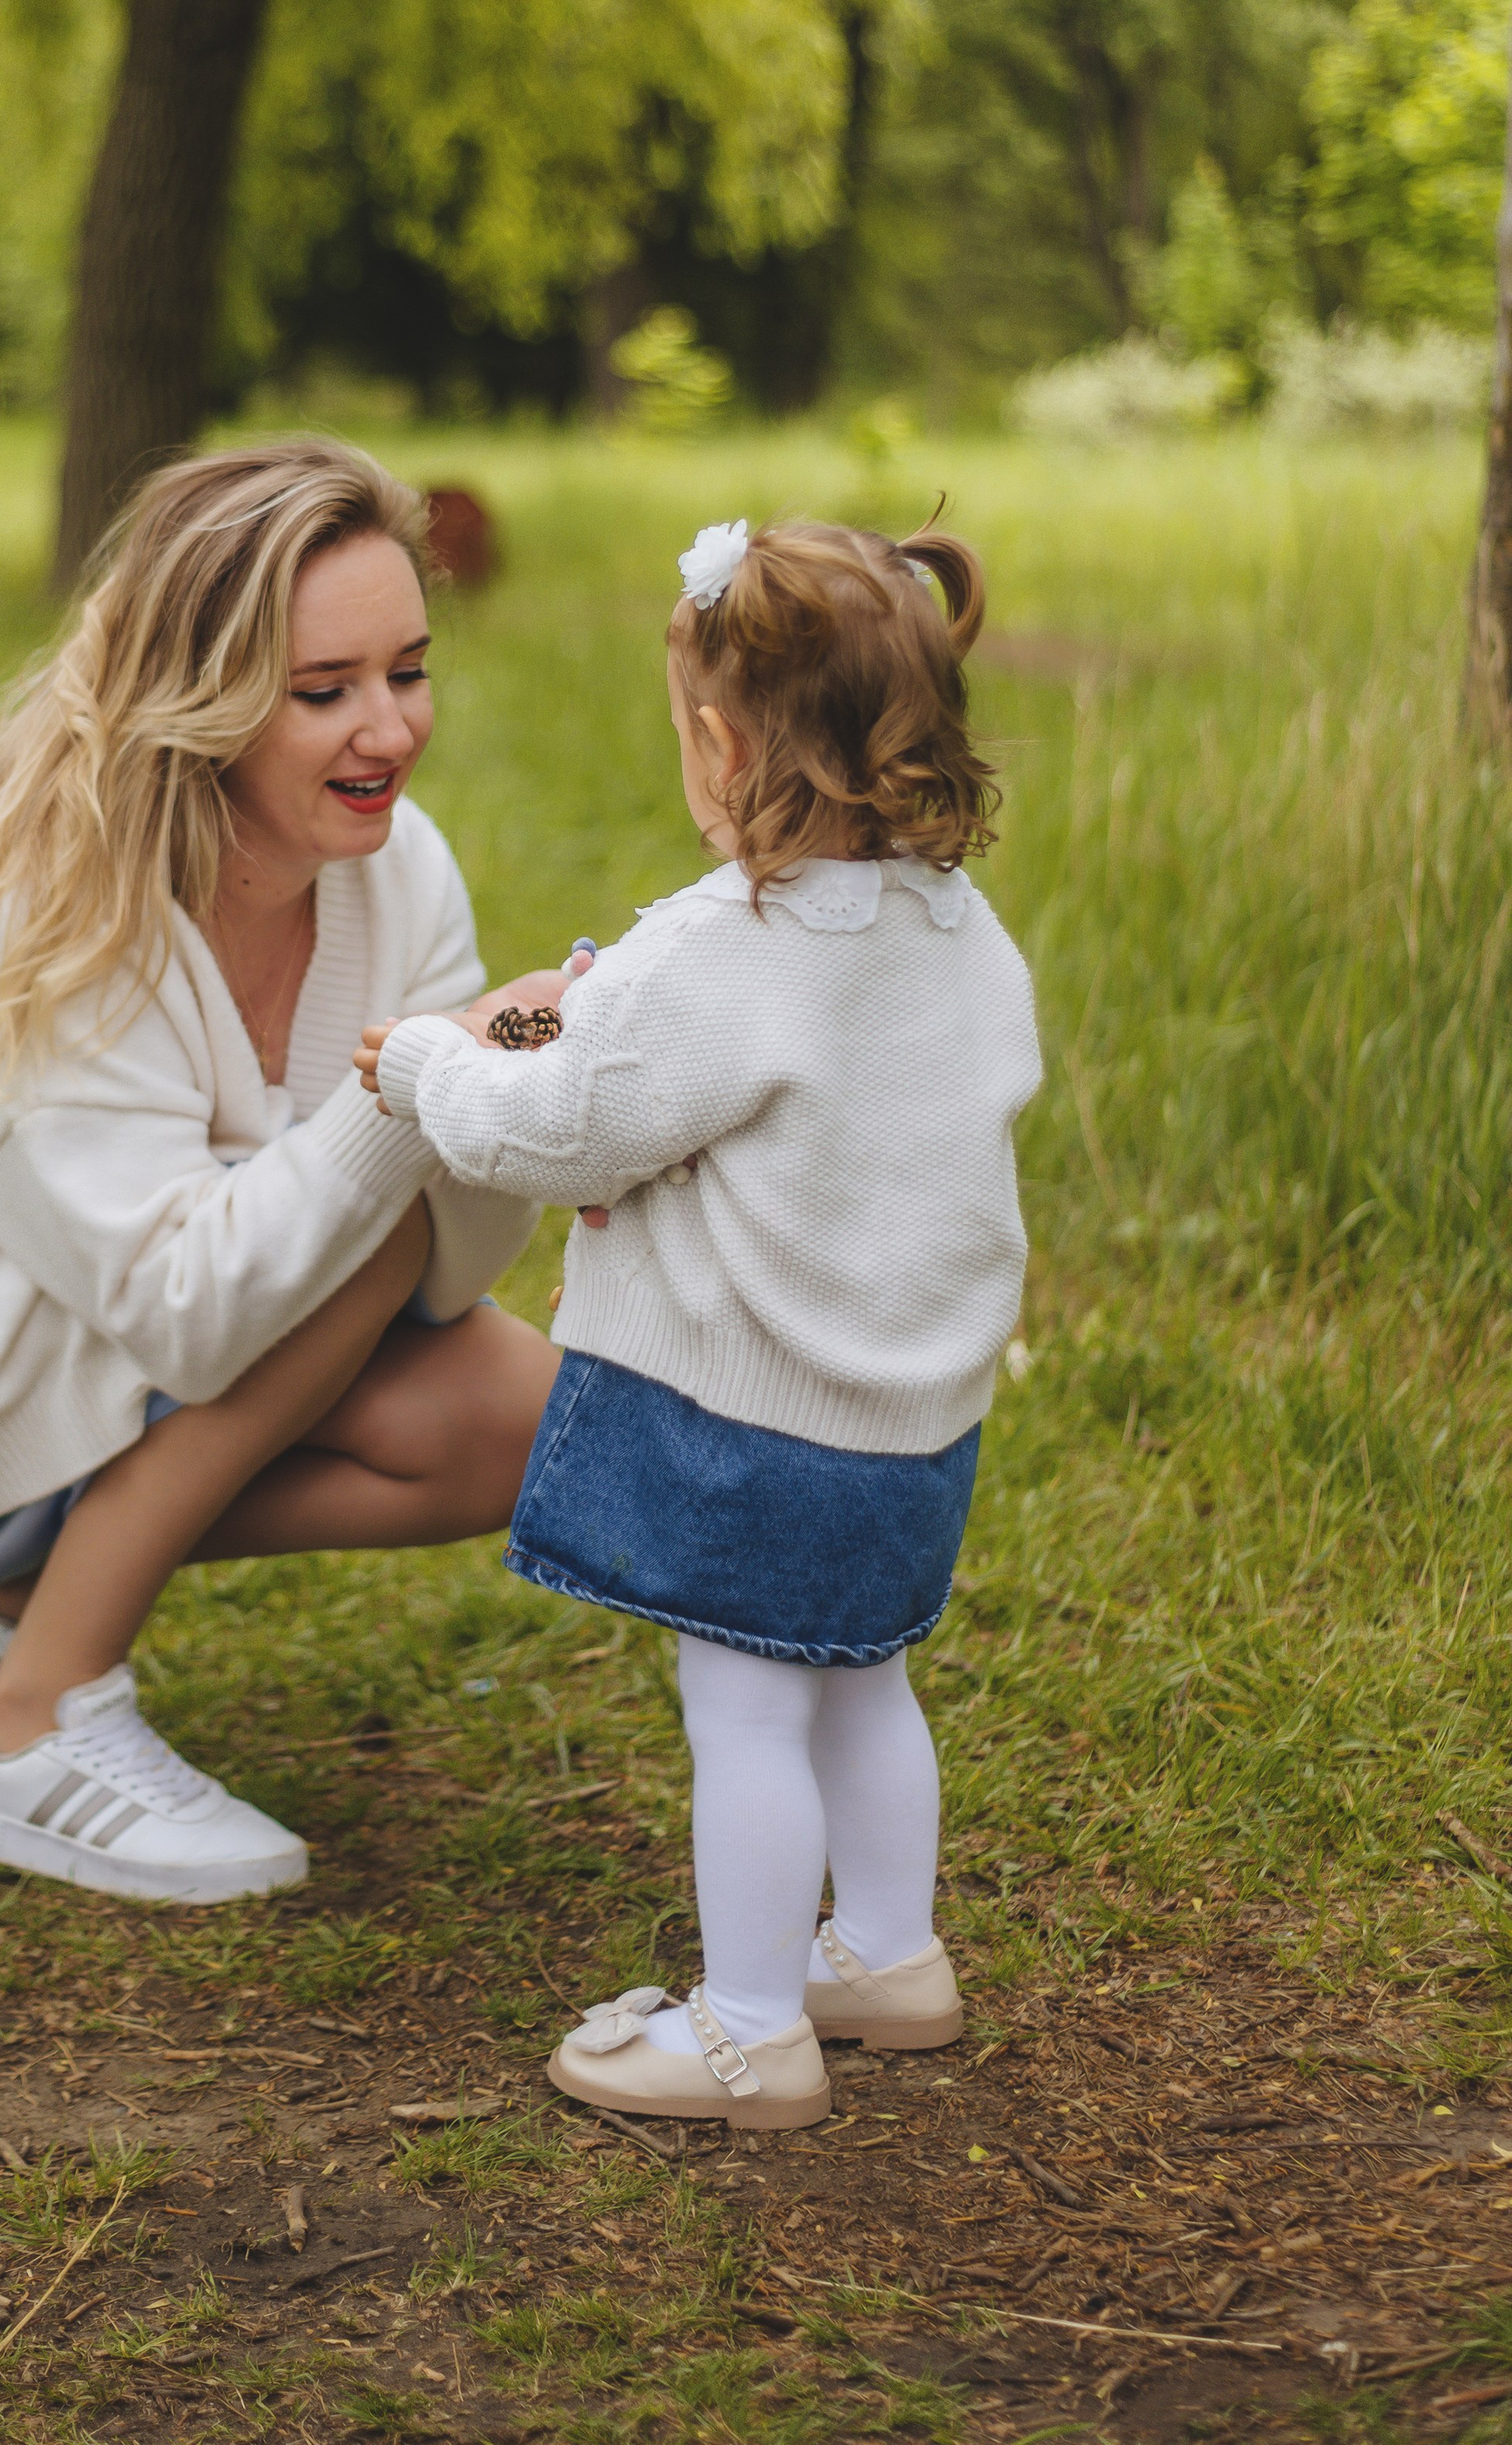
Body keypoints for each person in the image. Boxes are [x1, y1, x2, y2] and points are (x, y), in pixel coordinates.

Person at [0, 439, 568, 1905]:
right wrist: (418, 1084)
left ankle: (11, 1584)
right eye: (323, 691)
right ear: (195, 699)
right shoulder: (33, 905)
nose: (391, 729)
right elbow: (191, 1314)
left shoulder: (399, 871)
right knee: (367, 1227)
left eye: (408, 672)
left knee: (518, 1420)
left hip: (125, 1306)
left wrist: (505, 1088)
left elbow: (451, 1268)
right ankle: (31, 1725)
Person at [355, 514, 1042, 2129]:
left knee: (743, 1716)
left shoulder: (726, 947)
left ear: (723, 745)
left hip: (754, 1425)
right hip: (909, 1428)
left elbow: (565, 1134)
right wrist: (612, 1006)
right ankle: (888, 1955)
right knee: (862, 1682)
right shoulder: (959, 931)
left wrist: (431, 1066)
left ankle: (747, 2034)